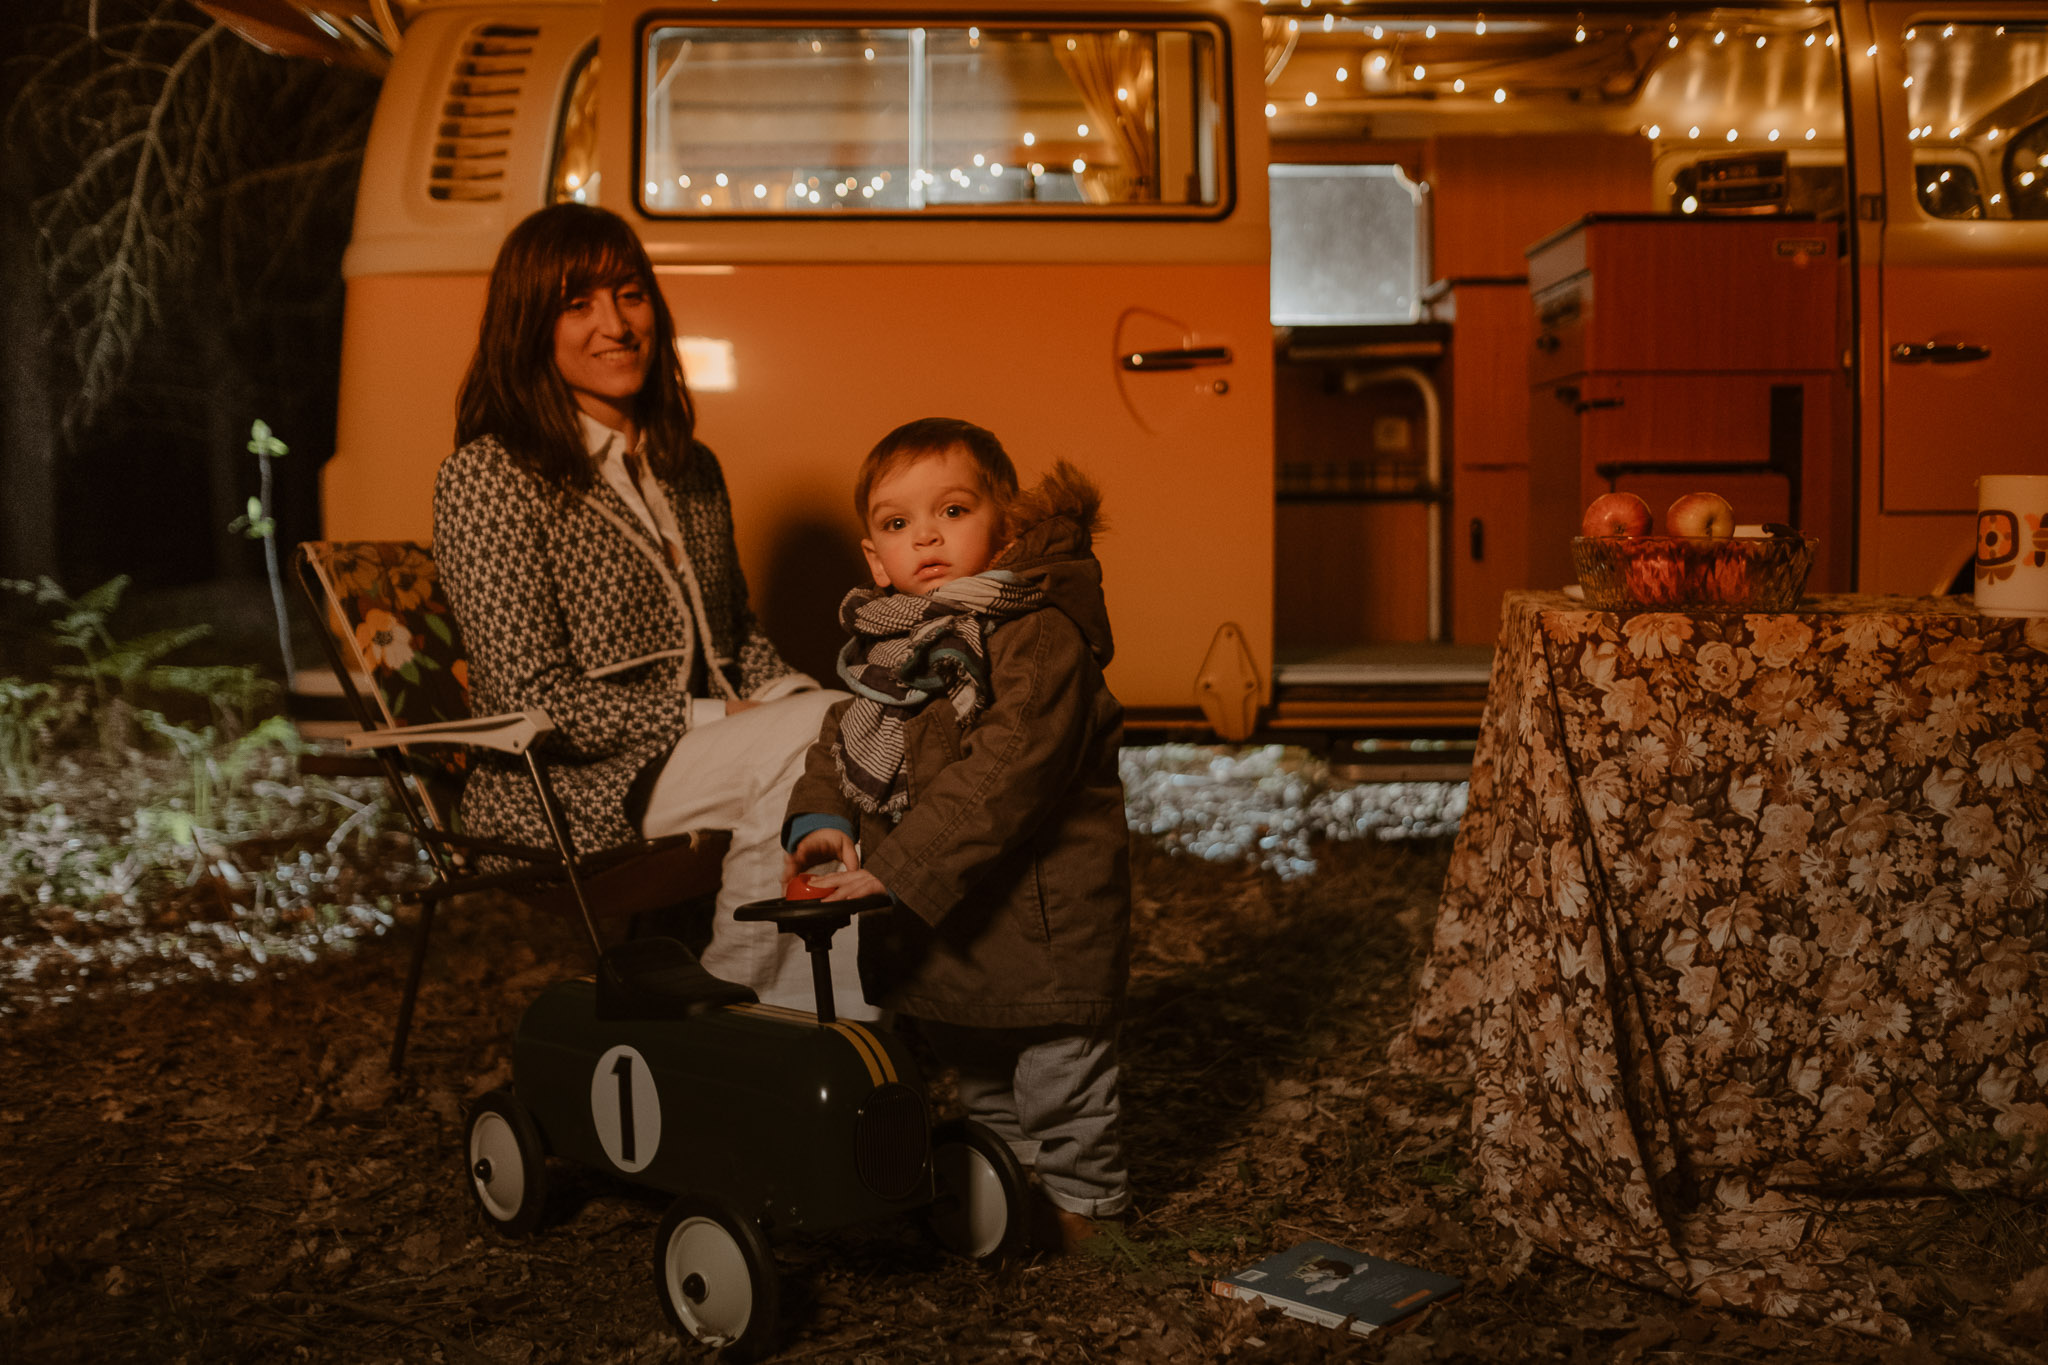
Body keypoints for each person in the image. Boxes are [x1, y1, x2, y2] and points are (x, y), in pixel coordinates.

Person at [432, 202, 870, 1018]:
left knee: (858, 734)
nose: (615, 325)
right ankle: (741, 1003)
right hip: (567, 784)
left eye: (628, 295)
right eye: (578, 304)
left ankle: (841, 1024)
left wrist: (816, 704)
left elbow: (737, 638)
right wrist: (716, 716)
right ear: (529, 326)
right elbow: (530, 700)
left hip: (686, 756)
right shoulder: (488, 477)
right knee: (812, 742)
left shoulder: (687, 465)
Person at [781, 418, 1133, 1248]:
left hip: (1044, 925)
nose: (926, 535)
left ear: (1005, 524)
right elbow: (842, 738)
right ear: (876, 558)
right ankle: (1003, 1202)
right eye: (898, 523)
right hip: (954, 932)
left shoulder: (1036, 631)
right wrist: (825, 821)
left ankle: (1089, 1221)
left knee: (1062, 1083)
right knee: (981, 1078)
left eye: (952, 509)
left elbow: (1007, 767)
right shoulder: (889, 648)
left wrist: (896, 867)